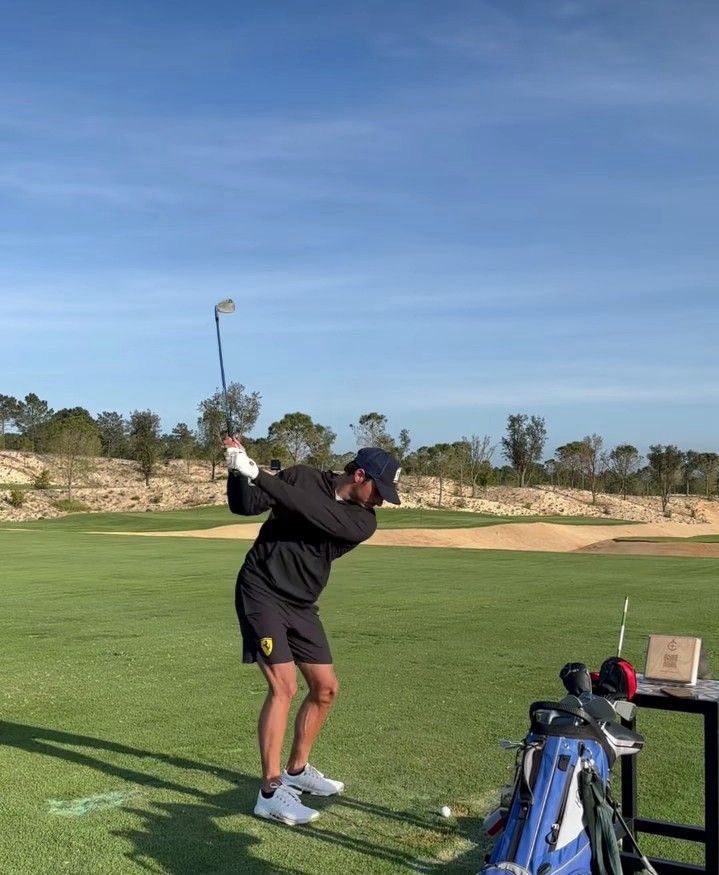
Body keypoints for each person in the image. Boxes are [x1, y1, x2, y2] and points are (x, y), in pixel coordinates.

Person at [223, 438, 401, 825]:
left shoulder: (362, 522)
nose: (381, 501)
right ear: (359, 475)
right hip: (261, 591)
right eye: (379, 491)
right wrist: (237, 469)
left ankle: (297, 771)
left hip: (302, 604)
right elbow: (245, 505)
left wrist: (259, 474)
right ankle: (270, 792)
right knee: (284, 687)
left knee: (326, 688)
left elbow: (314, 512)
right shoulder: (301, 477)